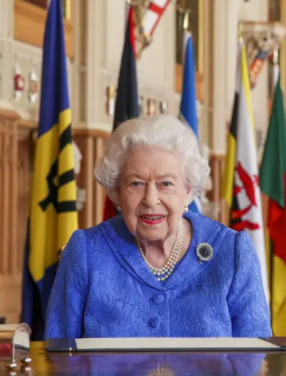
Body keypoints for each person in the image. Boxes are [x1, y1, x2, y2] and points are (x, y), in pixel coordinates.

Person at [44, 115, 271, 339]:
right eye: (136, 183)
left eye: (166, 184)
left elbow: (257, 360)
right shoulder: (86, 252)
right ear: (117, 192)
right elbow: (58, 357)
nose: (151, 199)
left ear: (188, 191)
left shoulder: (232, 253)